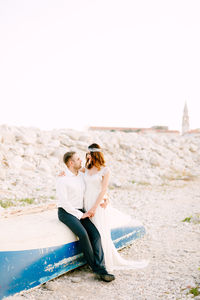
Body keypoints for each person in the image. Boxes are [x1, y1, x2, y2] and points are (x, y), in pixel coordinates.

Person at [82, 143, 148, 271]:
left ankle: (104, 261)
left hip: (97, 203)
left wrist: (95, 207)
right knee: (91, 232)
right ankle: (94, 259)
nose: (87, 155)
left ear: (95, 154)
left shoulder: (105, 170)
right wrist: (64, 173)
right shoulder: (86, 167)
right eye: (87, 153)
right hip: (86, 201)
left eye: (89, 153)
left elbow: (103, 189)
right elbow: (74, 172)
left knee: (100, 231)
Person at [56, 151, 115, 282]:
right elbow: (64, 202)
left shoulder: (81, 175)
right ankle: (98, 270)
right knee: (83, 234)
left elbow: (96, 185)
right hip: (66, 212)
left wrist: (105, 198)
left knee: (95, 234)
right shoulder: (62, 179)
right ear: (71, 163)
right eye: (78, 159)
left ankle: (101, 266)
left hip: (81, 211)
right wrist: (80, 215)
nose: (81, 161)